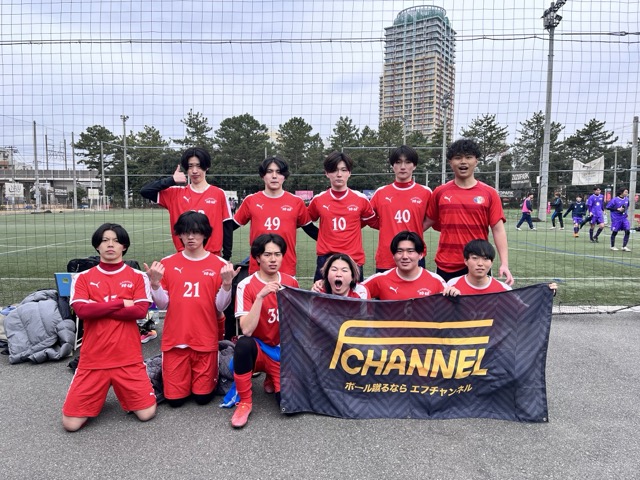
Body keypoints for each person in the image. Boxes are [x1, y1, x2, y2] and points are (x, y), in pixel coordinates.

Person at [62, 223, 156, 431]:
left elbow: (140, 311)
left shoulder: (138, 276)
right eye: (105, 240)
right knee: (71, 424)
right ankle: (97, 394)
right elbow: (82, 311)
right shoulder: (82, 277)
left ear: (124, 246)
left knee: (147, 414)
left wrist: (97, 307)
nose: (110, 245)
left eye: (116, 240)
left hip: (128, 358)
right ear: (97, 246)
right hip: (93, 359)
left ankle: (121, 390)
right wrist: (122, 303)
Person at [145, 212, 239, 408]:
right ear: (179, 234)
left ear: (205, 234)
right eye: (185, 232)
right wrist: (155, 284)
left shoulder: (220, 265)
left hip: (205, 341)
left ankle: (206, 373)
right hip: (175, 340)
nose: (190, 237)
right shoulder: (167, 263)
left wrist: (227, 285)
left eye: (196, 232)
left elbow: (220, 307)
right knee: (175, 401)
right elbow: (163, 305)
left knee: (202, 399)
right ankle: (165, 371)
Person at [230, 233, 298, 428]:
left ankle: (273, 377)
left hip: (281, 351)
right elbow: (246, 329)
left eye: (277, 254)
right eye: (267, 255)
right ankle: (245, 402)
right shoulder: (246, 285)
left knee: (289, 407)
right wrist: (260, 296)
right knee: (243, 344)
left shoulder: (291, 282)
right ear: (258, 258)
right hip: (258, 349)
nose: (273, 259)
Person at [424, 138, 514, 285]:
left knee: (479, 301)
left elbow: (498, 230)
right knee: (447, 300)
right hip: (447, 264)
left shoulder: (490, 193)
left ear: (476, 161)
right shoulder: (440, 192)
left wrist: (504, 263)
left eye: (468, 157)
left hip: (478, 264)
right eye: (458, 157)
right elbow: (426, 222)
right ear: (450, 162)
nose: (463, 162)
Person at [140, 147, 233, 259]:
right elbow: (145, 191)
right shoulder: (175, 194)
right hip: (184, 257)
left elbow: (227, 226)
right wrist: (171, 180)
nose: (194, 171)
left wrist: (227, 257)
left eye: (199, 166)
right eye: (190, 166)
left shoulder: (219, 194)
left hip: (213, 257)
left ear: (206, 166)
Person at [232, 156, 318, 277]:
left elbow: (311, 230)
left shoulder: (296, 202)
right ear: (263, 175)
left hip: (287, 269)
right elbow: (229, 227)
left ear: (285, 176)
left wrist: (336, 243)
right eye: (269, 171)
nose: (274, 176)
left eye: (278, 172)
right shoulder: (251, 200)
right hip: (257, 269)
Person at [307, 151, 375, 281]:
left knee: (355, 294)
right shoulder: (318, 200)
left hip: (353, 258)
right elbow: (306, 221)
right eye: (334, 170)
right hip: (325, 258)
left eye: (343, 170)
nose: (339, 174)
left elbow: (371, 220)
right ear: (327, 173)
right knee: (322, 294)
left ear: (349, 173)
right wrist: (320, 236)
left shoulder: (361, 199)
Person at [365, 145, 431, 272]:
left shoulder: (425, 192)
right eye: (398, 162)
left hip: (415, 253)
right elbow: (368, 216)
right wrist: (385, 225)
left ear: (414, 166)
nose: (403, 167)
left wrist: (416, 227)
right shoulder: (381, 192)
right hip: (386, 256)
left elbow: (432, 217)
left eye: (408, 162)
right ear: (392, 166)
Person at [362, 231, 459, 300]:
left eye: (410, 251)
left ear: (421, 255)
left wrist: (454, 294)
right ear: (393, 255)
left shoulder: (436, 281)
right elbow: (356, 292)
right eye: (399, 251)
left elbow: (449, 307)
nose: (405, 256)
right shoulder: (380, 279)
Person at [447, 239, 557, 295]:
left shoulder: (504, 290)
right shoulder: (452, 285)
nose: (480, 263)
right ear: (466, 261)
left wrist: (546, 292)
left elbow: (524, 310)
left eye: (485, 259)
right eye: (475, 258)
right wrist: (448, 295)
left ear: (492, 263)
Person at [606, 187, 631, 251]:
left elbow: (627, 206)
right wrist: (617, 209)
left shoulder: (627, 199)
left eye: (627, 192)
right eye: (626, 192)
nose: (627, 193)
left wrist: (625, 212)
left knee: (627, 230)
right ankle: (612, 246)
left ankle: (624, 246)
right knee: (615, 232)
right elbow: (608, 207)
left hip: (624, 218)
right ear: (621, 192)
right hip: (616, 218)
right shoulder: (615, 199)